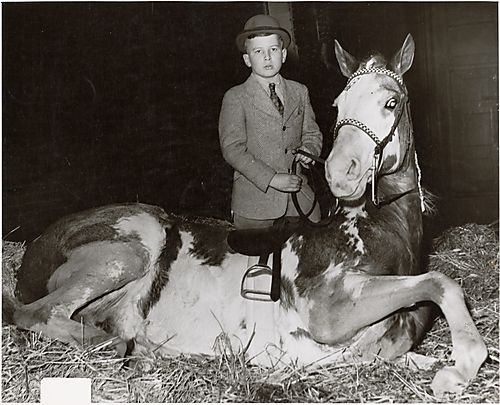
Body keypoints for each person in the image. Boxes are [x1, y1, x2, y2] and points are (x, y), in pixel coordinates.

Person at [219, 14, 323, 233]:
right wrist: (273, 179)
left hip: (299, 198)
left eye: (273, 50)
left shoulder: (299, 91)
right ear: (247, 59)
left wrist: (309, 149)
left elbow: (312, 133)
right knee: (258, 263)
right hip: (256, 204)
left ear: (283, 54)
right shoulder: (235, 97)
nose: (267, 57)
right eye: (258, 52)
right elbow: (232, 149)